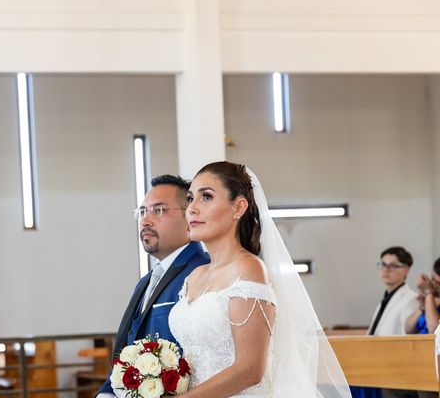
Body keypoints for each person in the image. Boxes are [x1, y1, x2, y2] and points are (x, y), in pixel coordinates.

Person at [168, 161, 350, 398]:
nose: (192, 208)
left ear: (238, 208)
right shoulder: (195, 276)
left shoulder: (248, 268)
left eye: (207, 197)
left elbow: (250, 369)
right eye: (191, 199)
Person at [96, 174, 209, 398]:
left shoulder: (204, 271)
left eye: (158, 210)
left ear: (189, 216)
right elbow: (126, 346)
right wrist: (107, 393)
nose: (145, 220)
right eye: (142, 211)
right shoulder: (146, 281)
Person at [366, 247, 418, 398]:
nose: (386, 270)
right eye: (383, 264)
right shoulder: (387, 296)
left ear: (406, 270)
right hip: (375, 364)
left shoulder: (410, 299)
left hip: (395, 369)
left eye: (393, 266)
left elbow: (408, 340)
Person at [405, 257, 440, 335]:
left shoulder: (430, 297)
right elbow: (408, 329)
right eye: (432, 279)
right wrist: (422, 307)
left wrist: (428, 292)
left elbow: (435, 331)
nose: (433, 285)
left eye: (438, 283)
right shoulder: (431, 301)